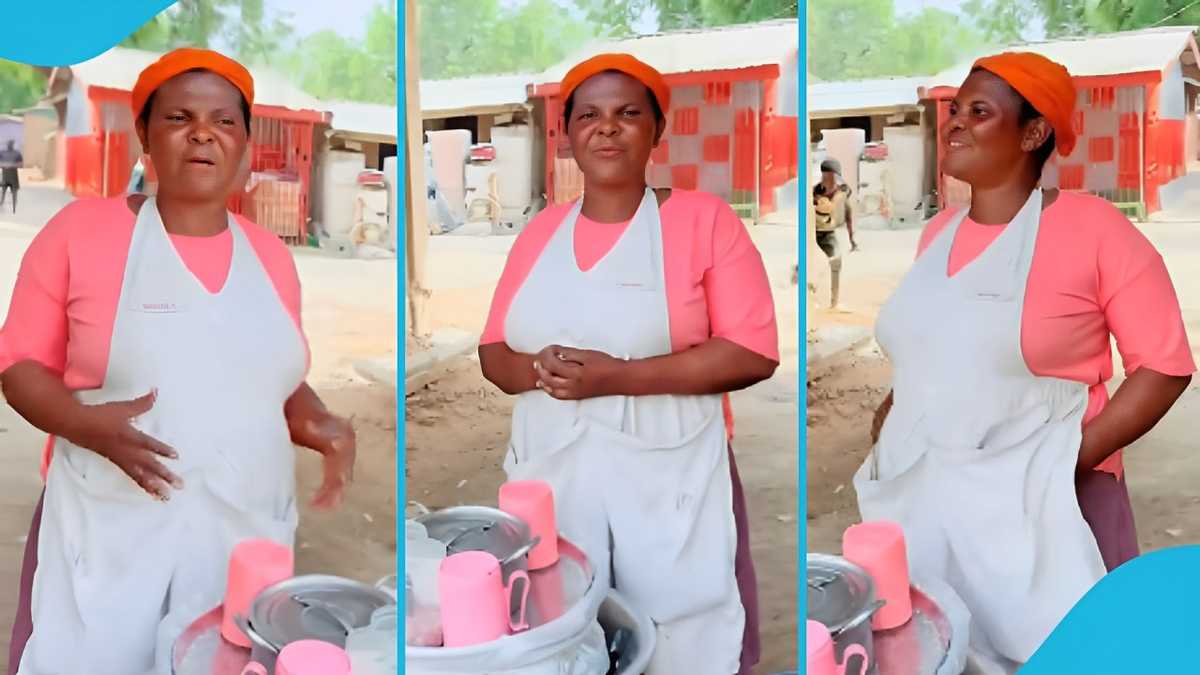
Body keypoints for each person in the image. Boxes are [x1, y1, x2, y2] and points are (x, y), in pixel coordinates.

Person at [0, 48, 357, 675]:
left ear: (245, 141)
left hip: (239, 539)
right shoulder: (79, 233)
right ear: (144, 134)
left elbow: (272, 376)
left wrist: (318, 420)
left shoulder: (270, 257)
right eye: (178, 118)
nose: (203, 133)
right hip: (108, 536)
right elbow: (19, 366)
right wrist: (83, 426)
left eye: (224, 121)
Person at [856, 52, 1194, 671]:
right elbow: (936, 350)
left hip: (1054, 507)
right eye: (955, 110)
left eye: (978, 112)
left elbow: (1164, 365)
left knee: (1073, 653)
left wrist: (1057, 466)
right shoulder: (939, 234)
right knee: (949, 649)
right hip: (930, 501)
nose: (955, 123)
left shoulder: (1094, 229)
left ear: (1034, 133)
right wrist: (893, 423)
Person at [477, 54, 778, 674]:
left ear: (656, 132)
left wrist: (617, 378)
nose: (607, 127)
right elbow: (493, 353)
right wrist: (539, 369)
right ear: (567, 136)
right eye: (588, 115)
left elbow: (751, 351)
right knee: (565, 627)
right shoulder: (541, 232)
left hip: (671, 479)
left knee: (684, 631)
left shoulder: (702, 221)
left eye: (627, 114)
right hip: (555, 476)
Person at [812, 158, 856, 308]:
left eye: (831, 175)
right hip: (814, 234)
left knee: (836, 263)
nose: (828, 179)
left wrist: (852, 238)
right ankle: (810, 295)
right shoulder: (814, 192)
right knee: (812, 265)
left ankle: (834, 302)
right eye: (826, 175)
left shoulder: (842, 193)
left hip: (830, 234)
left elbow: (848, 214)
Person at [0, 140, 23, 214]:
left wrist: (11, 165)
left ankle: (14, 208)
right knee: (3, 191)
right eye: (8, 143)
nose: (9, 145)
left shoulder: (17, 153)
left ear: (13, 144)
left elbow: (21, 164)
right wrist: (5, 165)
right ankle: (1, 205)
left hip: (13, 176)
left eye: (11, 143)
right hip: (5, 175)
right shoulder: (2, 153)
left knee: (14, 192)